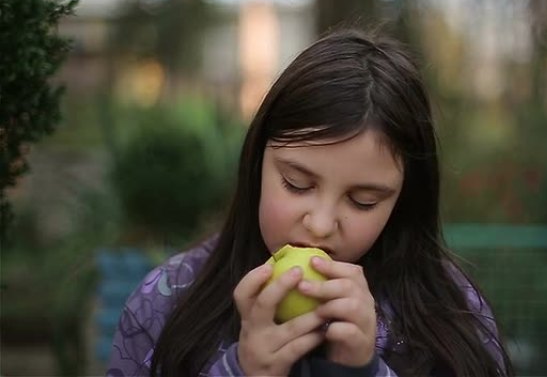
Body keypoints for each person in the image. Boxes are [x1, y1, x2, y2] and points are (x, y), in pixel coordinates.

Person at [106, 27, 514, 377]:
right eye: (296, 184)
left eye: (363, 201)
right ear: (256, 165)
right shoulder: (166, 302)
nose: (320, 225)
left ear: (404, 200)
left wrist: (362, 371)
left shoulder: (454, 317)